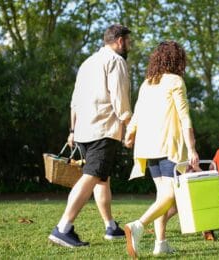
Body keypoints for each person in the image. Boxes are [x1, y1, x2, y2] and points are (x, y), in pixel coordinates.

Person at [48, 24, 132, 247]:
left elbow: (74, 100)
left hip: (84, 130)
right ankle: (63, 228)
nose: (129, 46)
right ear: (120, 41)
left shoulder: (87, 63)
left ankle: (111, 227)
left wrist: (73, 130)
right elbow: (120, 99)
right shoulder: (116, 61)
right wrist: (130, 125)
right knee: (92, 176)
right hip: (103, 129)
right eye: (128, 41)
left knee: (101, 179)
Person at [123, 41, 199, 258]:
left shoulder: (148, 83)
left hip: (147, 146)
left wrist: (130, 133)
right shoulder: (176, 81)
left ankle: (161, 244)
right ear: (177, 60)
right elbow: (185, 118)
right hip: (167, 144)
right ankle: (138, 226)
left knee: (162, 196)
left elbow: (137, 113)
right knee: (169, 194)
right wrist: (192, 149)